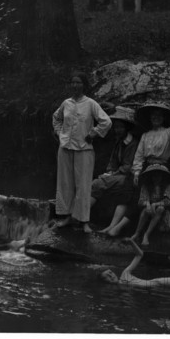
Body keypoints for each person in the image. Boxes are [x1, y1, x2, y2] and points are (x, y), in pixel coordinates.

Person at [52, 72, 112, 233]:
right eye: (73, 82)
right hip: (65, 147)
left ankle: (83, 220)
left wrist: (93, 133)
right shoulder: (66, 103)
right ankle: (66, 217)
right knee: (65, 184)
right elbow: (56, 118)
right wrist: (60, 133)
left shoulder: (91, 103)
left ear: (84, 85)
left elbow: (106, 121)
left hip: (84, 149)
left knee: (83, 185)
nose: (75, 85)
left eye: (78, 82)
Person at [91, 106, 140, 237]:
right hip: (118, 175)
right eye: (116, 127)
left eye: (120, 127)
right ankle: (81, 218)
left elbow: (128, 166)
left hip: (127, 176)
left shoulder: (132, 143)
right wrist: (108, 172)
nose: (117, 130)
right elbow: (112, 162)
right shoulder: (118, 142)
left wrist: (112, 174)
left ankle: (83, 218)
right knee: (97, 182)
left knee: (96, 184)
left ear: (126, 128)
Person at [131, 101, 170, 187]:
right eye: (154, 114)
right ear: (150, 117)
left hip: (164, 168)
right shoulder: (145, 135)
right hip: (147, 168)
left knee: (164, 193)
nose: (156, 117)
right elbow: (139, 156)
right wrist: (137, 172)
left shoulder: (169, 131)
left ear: (164, 117)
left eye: (159, 115)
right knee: (146, 193)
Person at [131, 164, 170, 246]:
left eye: (159, 175)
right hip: (149, 208)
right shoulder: (146, 186)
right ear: (151, 176)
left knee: (160, 208)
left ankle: (146, 235)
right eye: (154, 175)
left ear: (162, 176)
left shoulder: (168, 186)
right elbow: (141, 200)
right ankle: (136, 234)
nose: (156, 178)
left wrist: (156, 204)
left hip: (164, 210)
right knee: (145, 210)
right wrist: (148, 204)